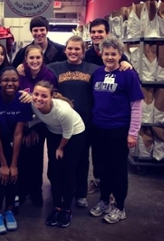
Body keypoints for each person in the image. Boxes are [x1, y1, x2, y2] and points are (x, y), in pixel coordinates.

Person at [89, 36, 143, 224]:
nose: (110, 57)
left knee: (118, 169)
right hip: (98, 128)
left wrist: (132, 133)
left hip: (118, 129)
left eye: (114, 54)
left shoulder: (128, 75)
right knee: (102, 168)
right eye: (106, 54)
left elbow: (136, 105)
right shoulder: (97, 73)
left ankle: (119, 206)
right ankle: (104, 200)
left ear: (120, 55)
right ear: (101, 55)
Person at [0, 66, 33, 234]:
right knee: (0, 177)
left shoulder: (23, 102)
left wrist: (13, 164)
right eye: (6, 80)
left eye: (14, 80)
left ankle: (9, 211)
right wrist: (3, 164)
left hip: (12, 142)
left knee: (13, 176)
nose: (10, 83)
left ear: (19, 82)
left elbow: (18, 133)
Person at [48, 36, 99, 208]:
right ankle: (60, 190)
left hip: (85, 123)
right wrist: (21, 68)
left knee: (82, 159)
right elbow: (35, 70)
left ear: (83, 52)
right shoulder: (55, 68)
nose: (73, 52)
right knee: (58, 158)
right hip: (59, 123)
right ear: (65, 50)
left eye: (77, 49)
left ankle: (81, 193)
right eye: (70, 48)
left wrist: (125, 63)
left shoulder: (93, 69)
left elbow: (112, 69)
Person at [85, 18, 132, 194]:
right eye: (94, 32)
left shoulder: (122, 58)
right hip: (96, 114)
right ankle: (98, 180)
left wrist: (127, 64)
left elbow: (132, 91)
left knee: (115, 160)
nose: (96, 35)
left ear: (107, 33)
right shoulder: (88, 54)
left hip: (116, 119)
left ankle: (114, 194)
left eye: (100, 32)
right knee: (97, 154)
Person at [30, 80, 85, 228]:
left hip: (74, 134)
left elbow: (68, 132)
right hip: (54, 132)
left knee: (68, 170)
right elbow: (34, 119)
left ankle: (66, 208)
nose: (39, 98)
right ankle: (56, 206)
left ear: (52, 96)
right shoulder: (33, 105)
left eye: (44, 96)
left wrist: (60, 148)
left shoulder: (62, 110)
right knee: (55, 170)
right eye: (36, 94)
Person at [18, 44, 57, 206]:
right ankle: (21, 190)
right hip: (21, 123)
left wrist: (34, 129)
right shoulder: (19, 74)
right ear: (25, 59)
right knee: (21, 157)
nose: (34, 61)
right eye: (31, 58)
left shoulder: (49, 76)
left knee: (36, 157)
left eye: (38, 57)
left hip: (41, 124)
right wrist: (26, 129)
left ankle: (36, 191)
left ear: (43, 58)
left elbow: (51, 103)